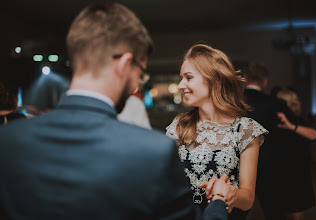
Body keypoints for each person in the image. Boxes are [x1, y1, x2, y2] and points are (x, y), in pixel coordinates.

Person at [0, 3, 234, 220]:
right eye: (140, 73)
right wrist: (218, 200)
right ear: (124, 64)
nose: (138, 82)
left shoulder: (8, 140)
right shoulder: (154, 152)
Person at [166, 44, 268, 220]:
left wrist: (231, 194)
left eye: (188, 78)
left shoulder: (245, 129)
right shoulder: (179, 125)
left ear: (213, 79)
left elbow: (248, 199)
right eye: (181, 78)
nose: (181, 85)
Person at [243, 62, 294, 220]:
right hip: (270, 166)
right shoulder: (276, 104)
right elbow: (287, 135)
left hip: (238, 166)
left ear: (244, 79)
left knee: (235, 213)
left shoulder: (231, 103)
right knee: (274, 213)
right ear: (265, 81)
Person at [276, 89, 316, 220]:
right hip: (279, 173)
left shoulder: (299, 121)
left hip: (298, 174)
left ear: (290, 104)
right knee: (281, 211)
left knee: (297, 212)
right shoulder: (275, 122)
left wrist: (292, 127)